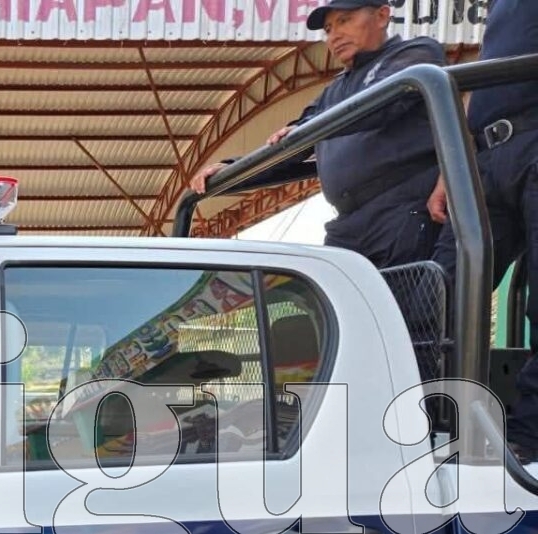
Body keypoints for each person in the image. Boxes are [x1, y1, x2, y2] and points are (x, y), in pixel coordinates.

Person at [191, 0, 446, 269]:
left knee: (404, 305)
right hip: (348, 225)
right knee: (336, 302)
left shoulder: (416, 54)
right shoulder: (334, 90)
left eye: (344, 21)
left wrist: (310, 130)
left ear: (382, 16)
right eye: (327, 29)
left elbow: (380, 107)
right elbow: (293, 145)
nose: (334, 35)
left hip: (401, 210)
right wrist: (232, 169)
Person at [431, 0, 538, 457]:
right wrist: (455, 161)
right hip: (487, 154)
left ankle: (528, 438)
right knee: (437, 291)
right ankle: (425, 420)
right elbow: (488, 70)